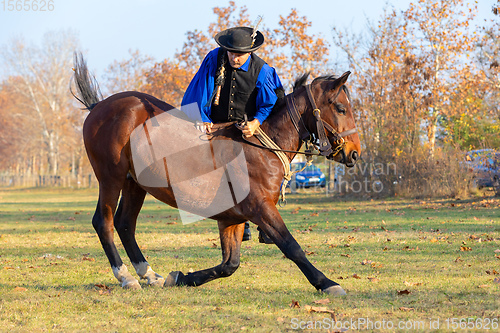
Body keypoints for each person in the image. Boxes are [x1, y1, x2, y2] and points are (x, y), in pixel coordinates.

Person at [182, 26, 283, 243]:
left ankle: (265, 225)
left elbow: (269, 103)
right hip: (215, 126)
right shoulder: (214, 59)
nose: (233, 58)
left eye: (239, 54)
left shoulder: (263, 71)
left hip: (246, 129)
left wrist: (256, 122)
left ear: (250, 52)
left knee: (268, 169)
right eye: (230, 52)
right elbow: (199, 90)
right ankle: (237, 220)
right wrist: (201, 118)